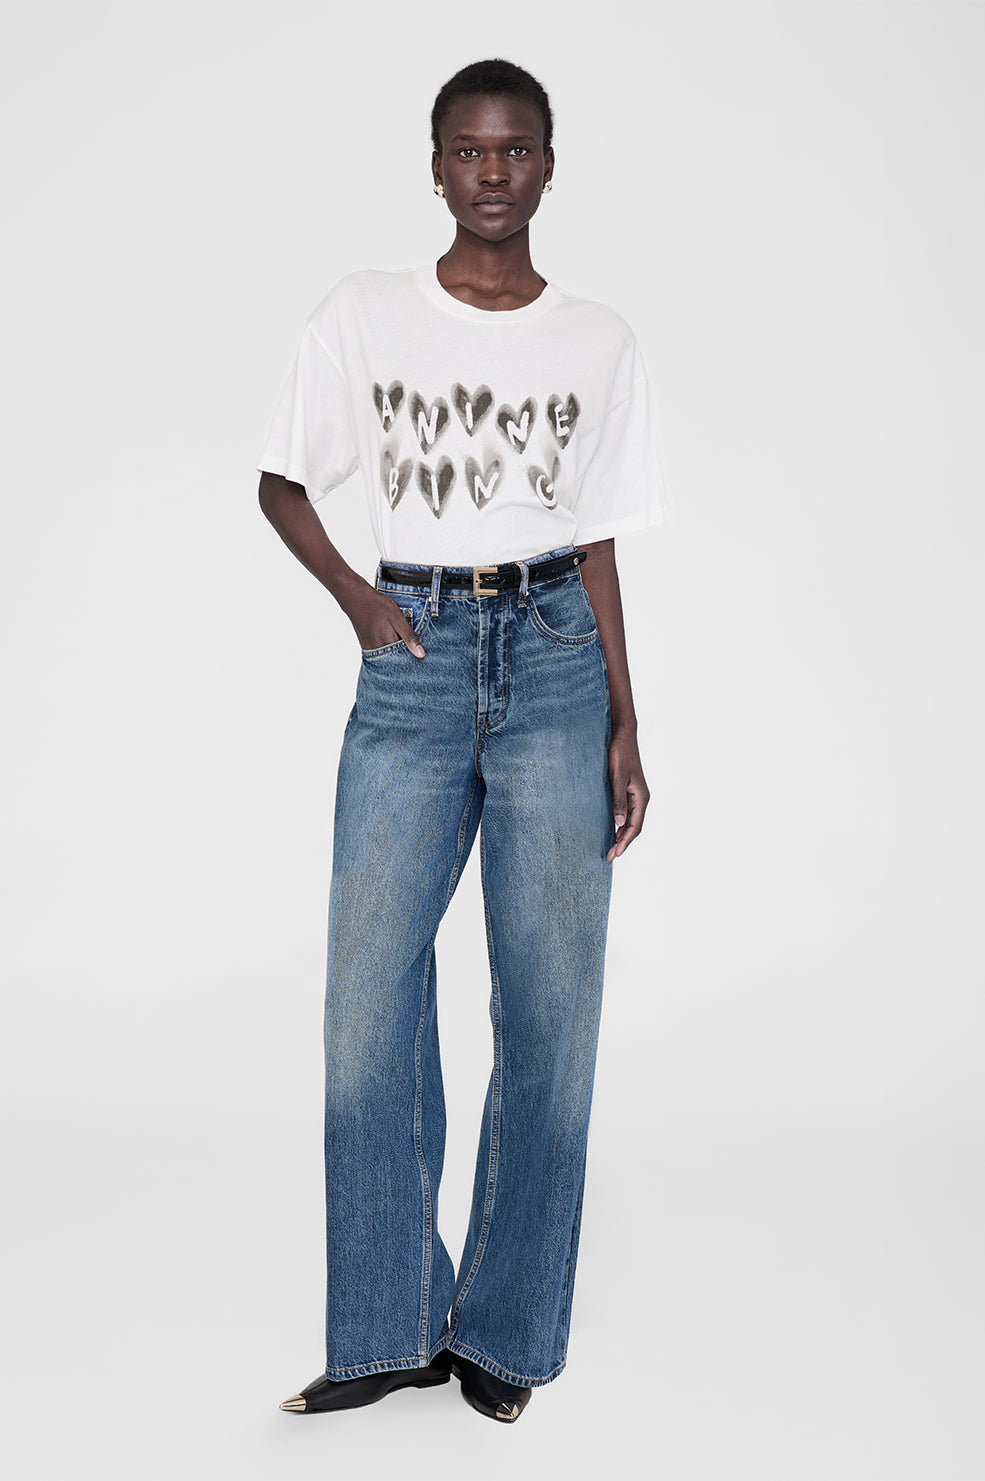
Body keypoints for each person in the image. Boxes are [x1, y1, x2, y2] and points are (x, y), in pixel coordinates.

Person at [255, 57, 672, 1424]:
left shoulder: (599, 339)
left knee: (549, 1004)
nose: (493, 173)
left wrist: (623, 714)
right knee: (366, 998)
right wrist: (362, 603)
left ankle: (501, 1331)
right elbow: (280, 482)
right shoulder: (365, 313)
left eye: (516, 150)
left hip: (555, 654)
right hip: (417, 657)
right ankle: (385, 1325)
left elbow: (596, 536)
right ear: (435, 166)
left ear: (549, 163)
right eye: (468, 151)